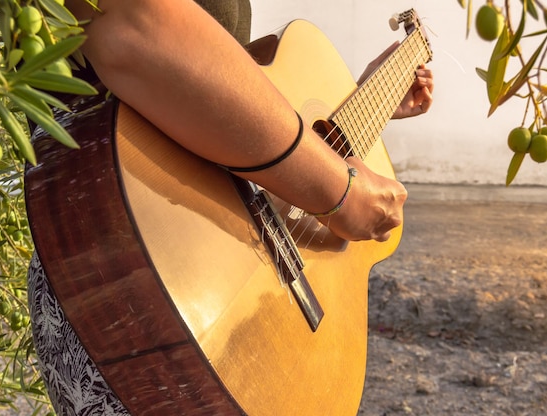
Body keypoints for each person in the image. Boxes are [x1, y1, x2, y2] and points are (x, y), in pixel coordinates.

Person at [27, 0, 434, 414]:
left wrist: (359, 109)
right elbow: (130, 28)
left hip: (188, 253)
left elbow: (220, 98)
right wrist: (337, 190)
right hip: (128, 257)